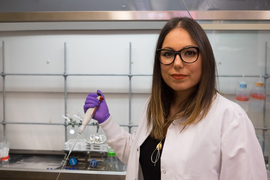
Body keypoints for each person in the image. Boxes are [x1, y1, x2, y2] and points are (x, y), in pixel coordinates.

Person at [83, 17, 267, 180]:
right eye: (168, 54)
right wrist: (107, 122)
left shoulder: (230, 118)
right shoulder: (153, 108)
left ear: (205, 58)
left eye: (189, 53)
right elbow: (140, 158)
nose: (177, 63)